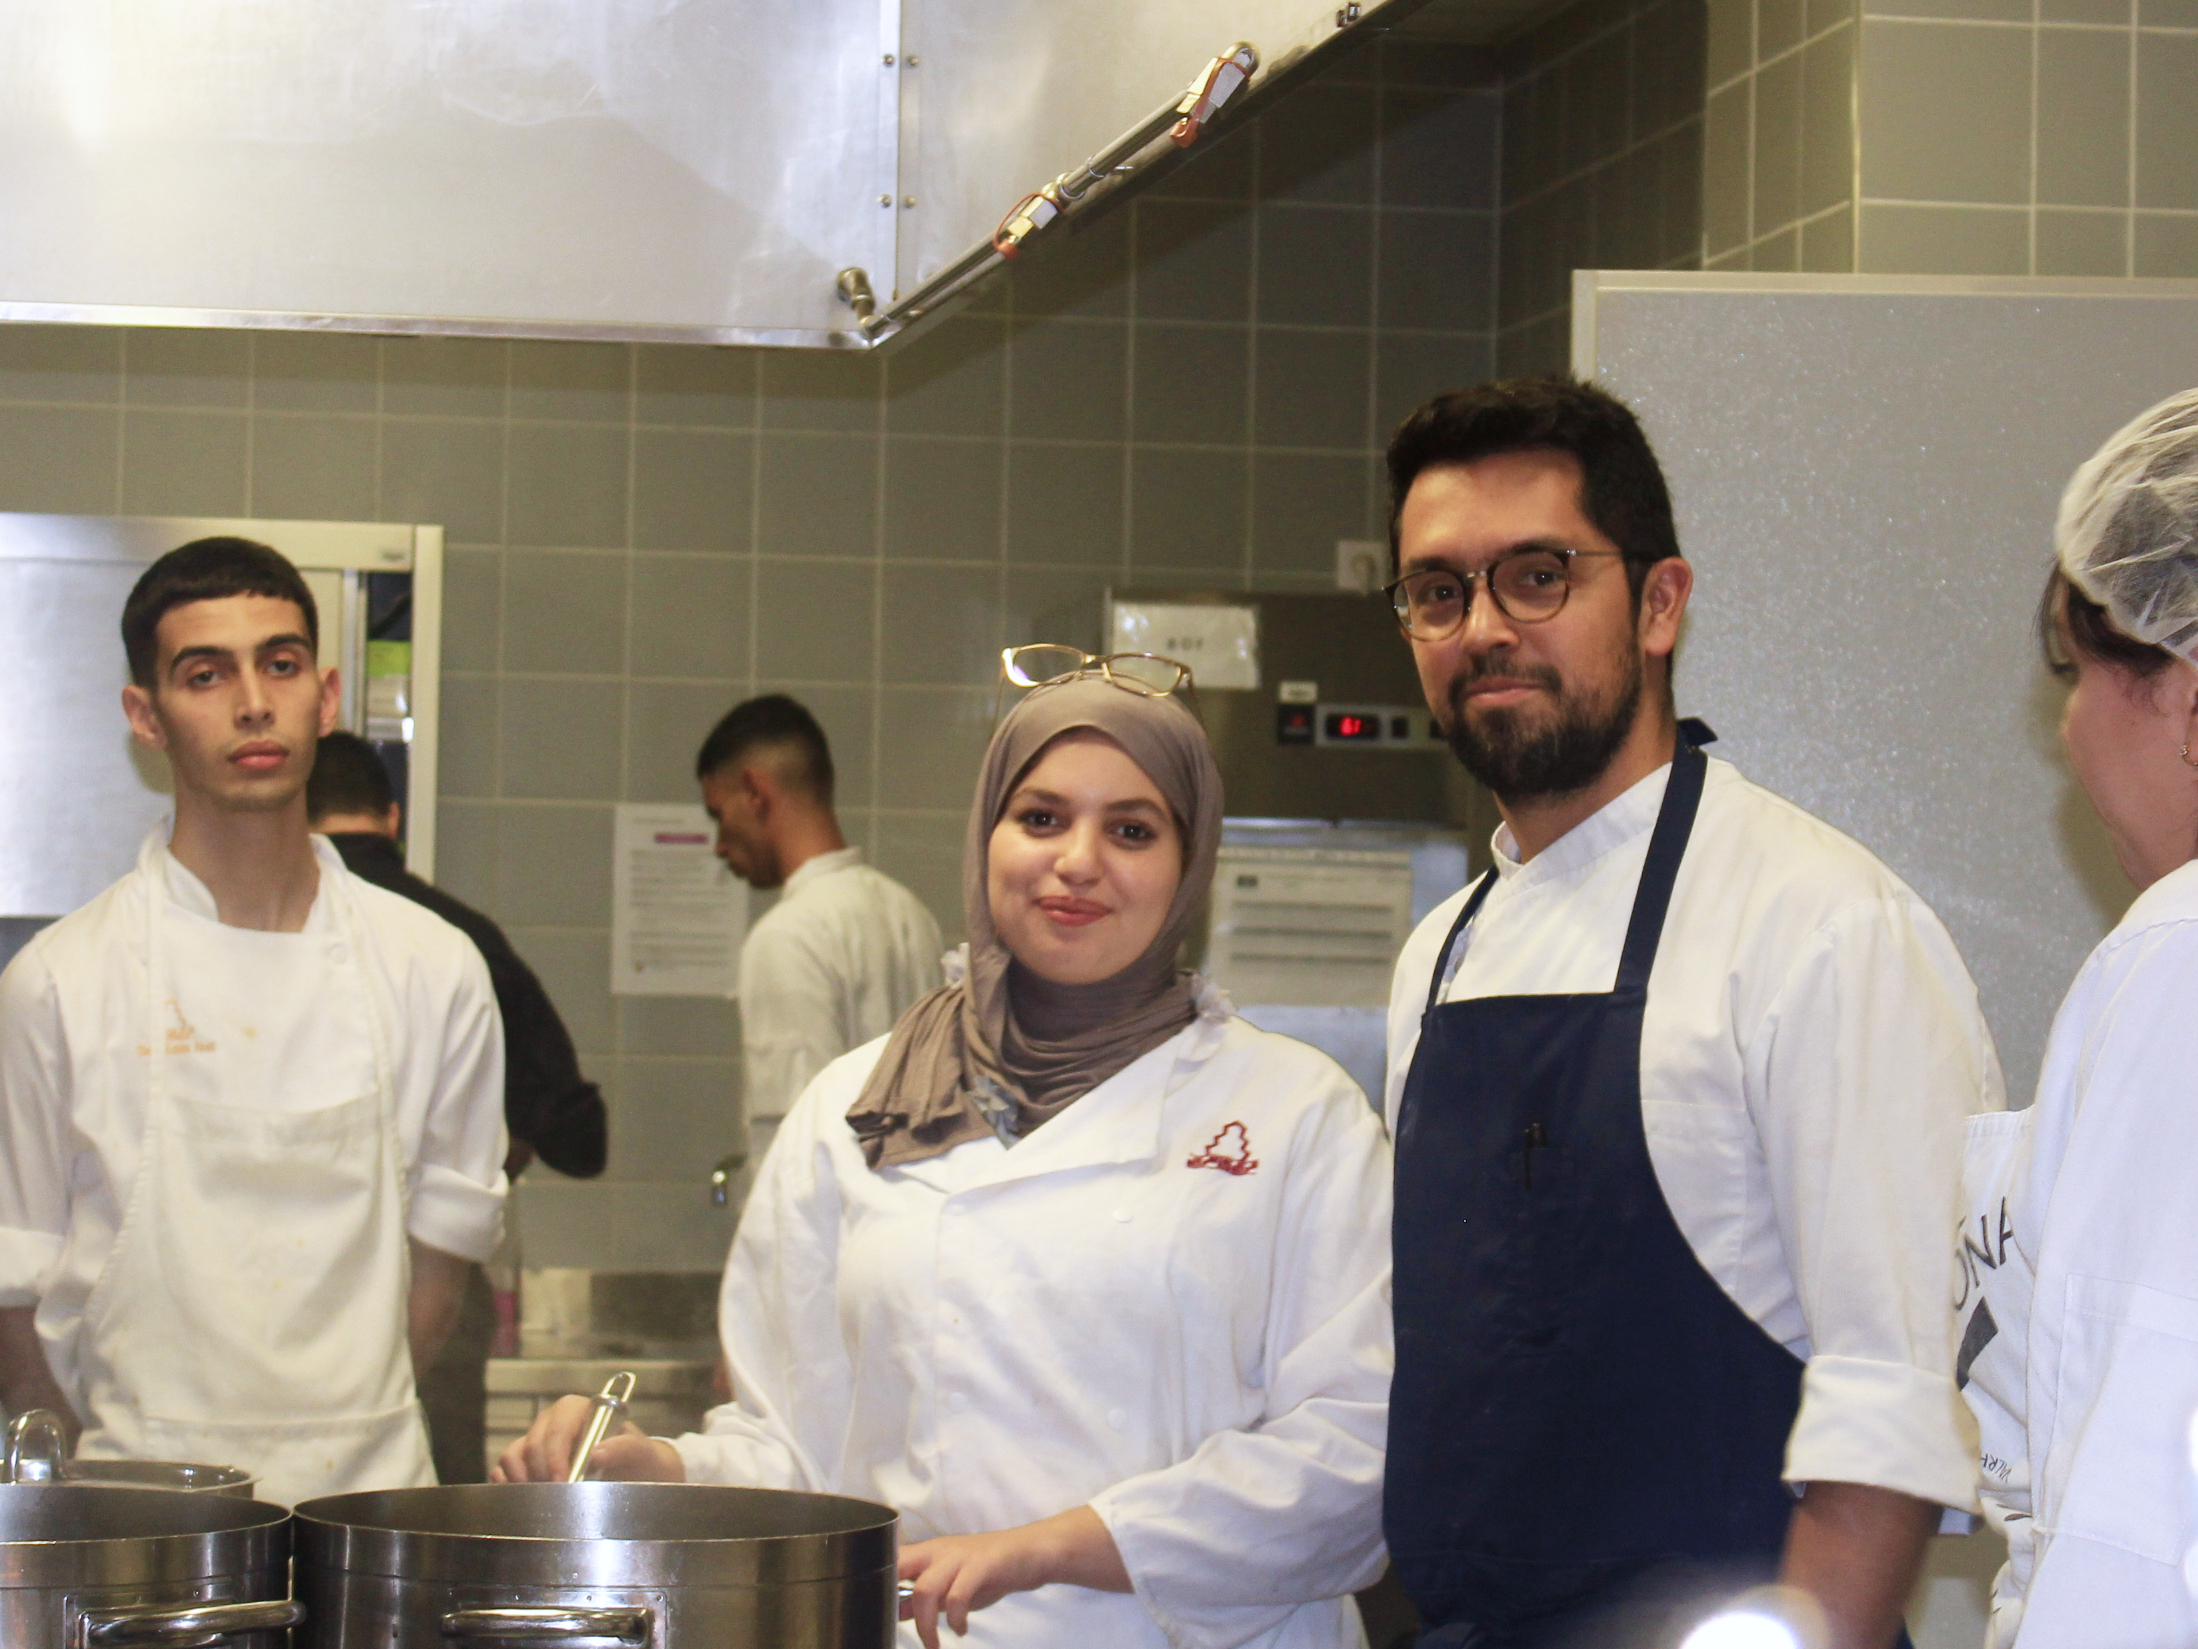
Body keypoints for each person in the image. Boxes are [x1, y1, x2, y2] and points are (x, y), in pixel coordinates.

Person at [499, 666, 1393, 1649]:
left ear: (1188, 861)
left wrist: (1051, 1544)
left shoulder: (1294, 1112)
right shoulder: (856, 1103)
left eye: (1131, 829)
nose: (1076, 860)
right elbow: (798, 1446)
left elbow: (1357, 1453)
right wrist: (656, 1472)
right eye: (1041, 817)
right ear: (986, 836)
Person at [1379, 377, 2004, 1649]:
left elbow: (1891, 1391)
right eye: (1438, 591)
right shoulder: (1436, 957)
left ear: (1658, 603)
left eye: (1536, 574)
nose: (1483, 627)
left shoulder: (1820, 922)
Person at [0, 537, 507, 1509]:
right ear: (144, 714)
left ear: (323, 695)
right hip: (135, 1526)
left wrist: (329, 1434)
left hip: (370, 1524)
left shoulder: (434, 968)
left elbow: (436, 1278)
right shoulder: (59, 985)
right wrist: (101, 1509)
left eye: (277, 664)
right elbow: (15, 1303)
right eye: (205, 673)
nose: (250, 703)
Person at [1957, 387, 2198, 1647]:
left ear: (2183, 685)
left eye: (2075, 671)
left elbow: (2131, 1520)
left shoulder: (2179, 957)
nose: (2062, 730)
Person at [307, 728, 607, 1483]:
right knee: (423, 1522)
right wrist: (503, 1137)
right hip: (435, 1274)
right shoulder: (457, 942)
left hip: (294, 1275)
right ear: (394, 816)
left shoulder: (272, 938)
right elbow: (580, 1135)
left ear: (299, 819)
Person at [696, 694, 942, 1174]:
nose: (720, 846)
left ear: (754, 792)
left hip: (830, 1232)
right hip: (908, 1217)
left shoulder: (786, 936)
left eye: (718, 814)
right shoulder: (912, 914)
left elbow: (792, 1141)